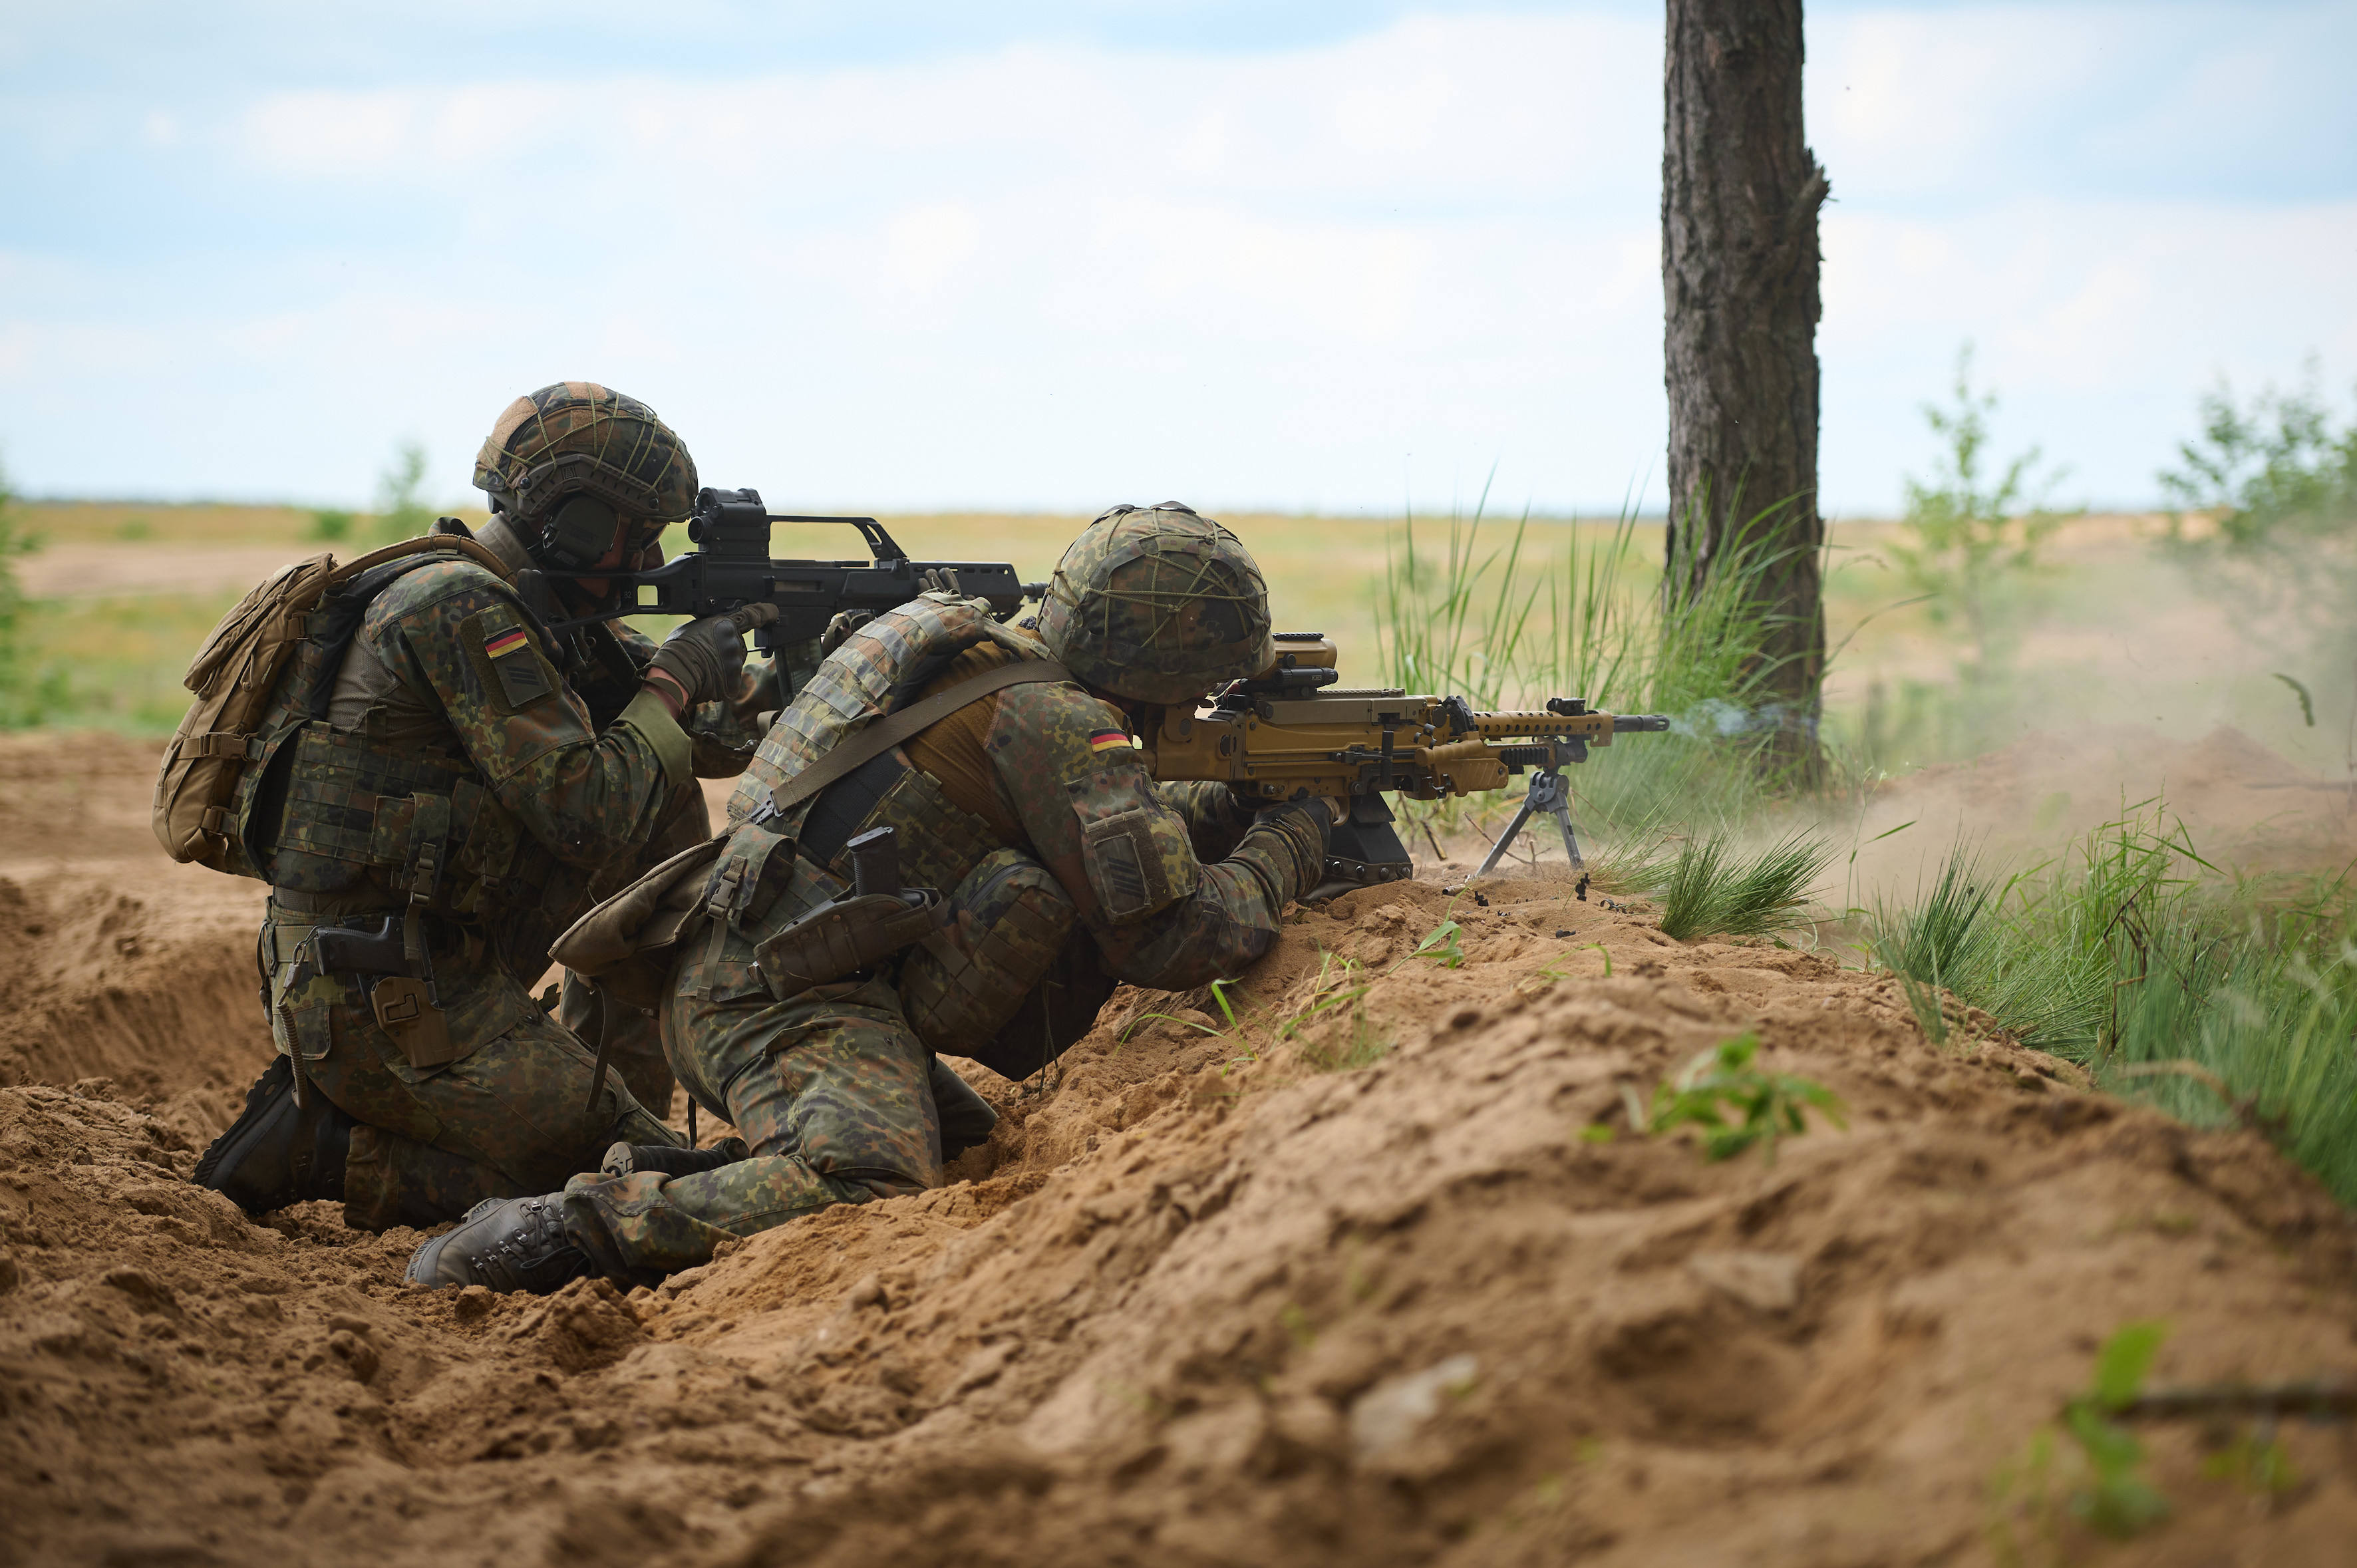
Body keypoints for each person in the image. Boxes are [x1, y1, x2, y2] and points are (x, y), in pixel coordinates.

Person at [404, 502, 1333, 1291]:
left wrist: (1228, 807)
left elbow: (1095, 823)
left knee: (966, 1145)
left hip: (763, 966)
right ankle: (565, 1228)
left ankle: (671, 1172)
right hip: (776, 999)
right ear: (1165, 664)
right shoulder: (1055, 720)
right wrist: (1293, 838)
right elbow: (1174, 938)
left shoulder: (964, 644)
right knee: (873, 1184)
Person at [194, 381, 778, 1231]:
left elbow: (693, 740)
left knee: (664, 794)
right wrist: (673, 679)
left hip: (425, 959)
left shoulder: (530, 603)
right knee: (632, 1177)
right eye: (639, 531)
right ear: (576, 523)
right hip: (383, 995)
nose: (652, 559)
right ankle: (329, 1147)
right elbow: (588, 808)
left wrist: (791, 674)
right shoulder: (458, 606)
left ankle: (593, 1081)